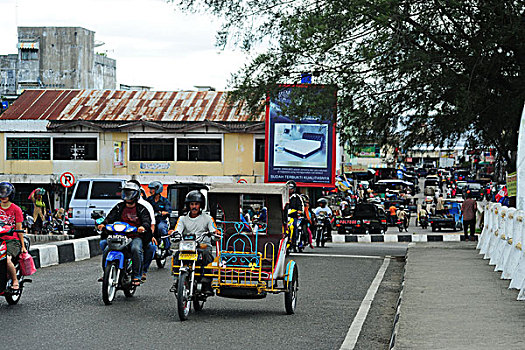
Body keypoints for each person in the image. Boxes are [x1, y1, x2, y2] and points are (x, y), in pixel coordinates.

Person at [97, 181, 152, 286]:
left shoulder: (141, 209)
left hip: (134, 236)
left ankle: (137, 276)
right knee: (106, 249)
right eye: (125, 193)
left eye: (130, 193)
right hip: (118, 235)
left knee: (136, 249)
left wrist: (143, 227)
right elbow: (110, 217)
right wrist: (103, 224)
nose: (127, 195)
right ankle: (106, 274)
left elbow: (146, 221)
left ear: (136, 194)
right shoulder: (119, 207)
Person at [172, 190, 219, 294]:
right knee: (176, 256)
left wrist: (214, 233)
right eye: (192, 204)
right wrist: (175, 234)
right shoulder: (182, 219)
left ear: (200, 205)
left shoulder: (207, 218)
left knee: (207, 255)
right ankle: (176, 280)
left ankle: (207, 283)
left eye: (196, 204)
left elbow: (213, 231)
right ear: (188, 205)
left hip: (203, 246)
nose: (194, 206)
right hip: (187, 246)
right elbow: (177, 230)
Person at [0, 182, 26, 291]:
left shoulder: (16, 209)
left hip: (12, 241)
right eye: (1, 194)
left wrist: (23, 246)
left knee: (6, 259)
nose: (3, 197)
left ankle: (15, 280)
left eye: (6, 194)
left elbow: (19, 229)